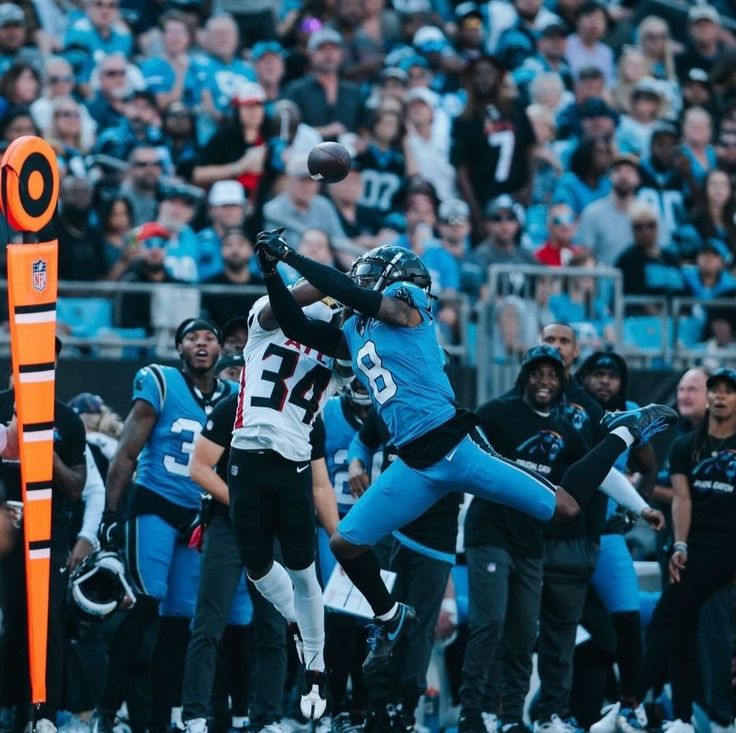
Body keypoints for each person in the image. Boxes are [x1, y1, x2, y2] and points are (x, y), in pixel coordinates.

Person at [254, 228, 677, 674]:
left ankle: (625, 432)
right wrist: (271, 273)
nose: (359, 280)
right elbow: (296, 325)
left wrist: (294, 257)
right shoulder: (356, 328)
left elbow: (353, 293)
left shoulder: (407, 304)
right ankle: (390, 615)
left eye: (368, 274)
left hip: (456, 445)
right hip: (413, 463)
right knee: (346, 543)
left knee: (566, 508)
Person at [91, 319, 235, 733]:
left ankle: (163, 717)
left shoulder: (229, 395)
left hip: (198, 517)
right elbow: (127, 451)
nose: (202, 344)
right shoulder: (162, 382)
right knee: (145, 603)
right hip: (155, 502)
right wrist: (110, 513)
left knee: (180, 620)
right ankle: (107, 707)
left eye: (209, 338)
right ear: (179, 348)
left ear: (220, 348)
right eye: (192, 338)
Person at [183, 352, 329, 733]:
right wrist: (248, 506)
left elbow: (320, 483)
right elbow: (198, 467)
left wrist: (340, 537)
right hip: (231, 525)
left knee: (276, 625)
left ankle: (267, 718)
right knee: (209, 620)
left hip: (279, 527)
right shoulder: (235, 406)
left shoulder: (307, 410)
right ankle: (195, 714)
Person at [227, 282, 344, 722]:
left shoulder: (337, 354)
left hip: (294, 462)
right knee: (255, 564)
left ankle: (315, 665)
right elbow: (283, 305)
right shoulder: (266, 322)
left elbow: (350, 352)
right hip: (247, 452)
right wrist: (329, 282)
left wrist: (347, 304)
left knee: (302, 568)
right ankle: (297, 620)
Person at [459, 345, 588, 733]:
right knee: (490, 622)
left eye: (553, 374)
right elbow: (464, 448)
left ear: (563, 380)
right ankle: (472, 712)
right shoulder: (497, 412)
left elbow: (589, 473)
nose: (545, 381)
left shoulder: (567, 428)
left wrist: (636, 498)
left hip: (532, 541)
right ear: (525, 376)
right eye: (538, 373)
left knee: (521, 633)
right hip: (490, 531)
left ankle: (511, 716)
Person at [634, 368, 736, 733]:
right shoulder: (680, 441)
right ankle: (683, 715)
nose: (686, 394)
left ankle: (633, 702)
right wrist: (679, 542)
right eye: (682, 388)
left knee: (711, 631)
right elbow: (677, 497)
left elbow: (675, 495)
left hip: (720, 551)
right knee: (681, 628)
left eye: (694, 387)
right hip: (684, 547)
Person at [0, 338, 86, 733]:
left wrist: (45, 454)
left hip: (46, 533)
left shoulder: (67, 419)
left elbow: (76, 486)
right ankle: (8, 705)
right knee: (8, 620)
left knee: (45, 622)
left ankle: (44, 713)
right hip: (3, 529)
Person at [577, 352, 659, 733]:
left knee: (627, 621)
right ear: (585, 377)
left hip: (608, 532)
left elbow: (648, 466)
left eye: (612, 376)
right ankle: (555, 710)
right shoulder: (574, 407)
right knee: (566, 626)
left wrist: (632, 506)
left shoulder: (630, 413)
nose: (604, 382)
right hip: (568, 532)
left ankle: (630, 704)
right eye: (598, 374)